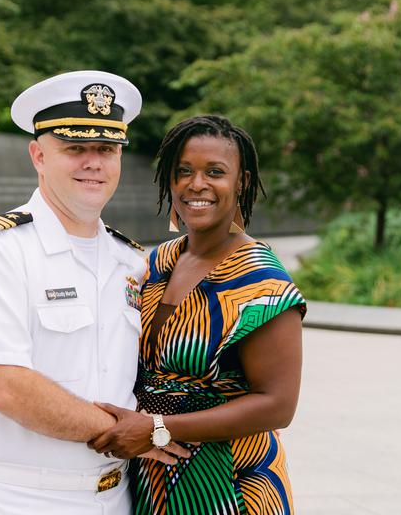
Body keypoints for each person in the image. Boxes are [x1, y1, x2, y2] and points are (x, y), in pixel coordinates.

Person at [0, 70, 185, 515]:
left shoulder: (130, 260)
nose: (93, 162)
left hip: (119, 496)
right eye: (75, 148)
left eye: (107, 149)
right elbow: (6, 387)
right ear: (38, 155)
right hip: (24, 498)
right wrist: (133, 433)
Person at [88, 115, 306, 514]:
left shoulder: (262, 281)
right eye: (183, 171)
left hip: (231, 484)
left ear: (241, 182)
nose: (196, 184)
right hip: (154, 480)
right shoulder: (157, 261)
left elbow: (278, 404)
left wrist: (158, 429)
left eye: (215, 172)